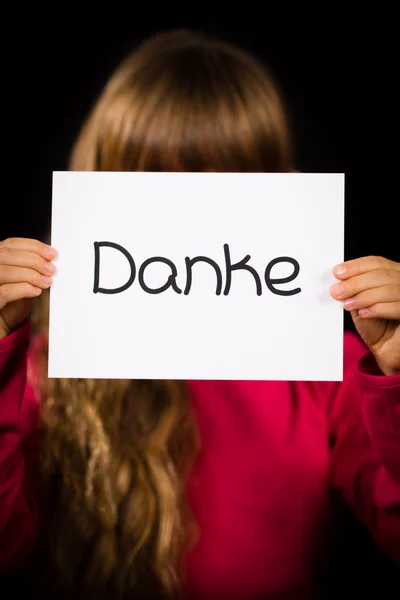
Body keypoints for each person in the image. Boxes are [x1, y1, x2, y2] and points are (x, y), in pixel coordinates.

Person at [0, 29, 399, 600]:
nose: (197, 221)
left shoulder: (333, 366)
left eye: (231, 180)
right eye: (161, 180)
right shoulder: (41, 369)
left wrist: (398, 377)